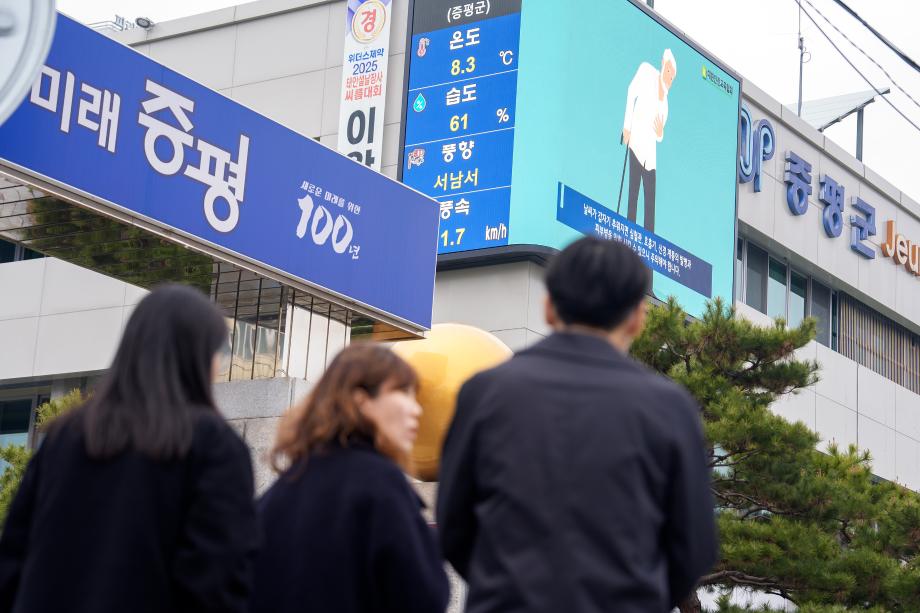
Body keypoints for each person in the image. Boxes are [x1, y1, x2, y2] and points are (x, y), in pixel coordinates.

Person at [438, 237, 717, 613]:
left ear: (549, 307)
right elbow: (694, 548)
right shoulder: (670, 408)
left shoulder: (485, 391)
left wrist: (502, 584)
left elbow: (454, 526)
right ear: (638, 317)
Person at [0, 284, 258, 613]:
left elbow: (12, 561)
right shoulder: (214, 445)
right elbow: (217, 582)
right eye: (218, 351)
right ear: (197, 355)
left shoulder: (64, 436)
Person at [251, 343, 449, 613]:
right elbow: (424, 596)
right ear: (361, 400)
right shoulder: (380, 483)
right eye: (403, 392)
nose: (417, 409)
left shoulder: (283, 488)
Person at [622, 48, 677, 233]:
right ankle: (627, 236)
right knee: (633, 194)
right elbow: (631, 91)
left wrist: (660, 133)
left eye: (672, 77)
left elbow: (659, 136)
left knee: (650, 201)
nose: (669, 78)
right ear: (663, 64)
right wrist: (627, 127)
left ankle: (649, 244)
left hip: (650, 157)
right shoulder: (647, 72)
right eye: (668, 71)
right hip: (636, 144)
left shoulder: (665, 105)